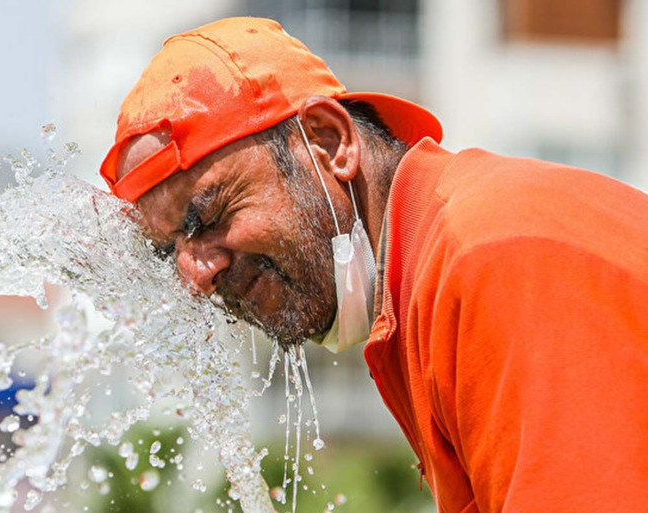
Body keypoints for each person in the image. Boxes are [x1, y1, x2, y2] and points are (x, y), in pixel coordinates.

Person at [99, 17, 648, 513]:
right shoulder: (424, 285)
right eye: (169, 250)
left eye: (210, 214)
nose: (196, 276)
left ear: (329, 142)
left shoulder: (492, 258)